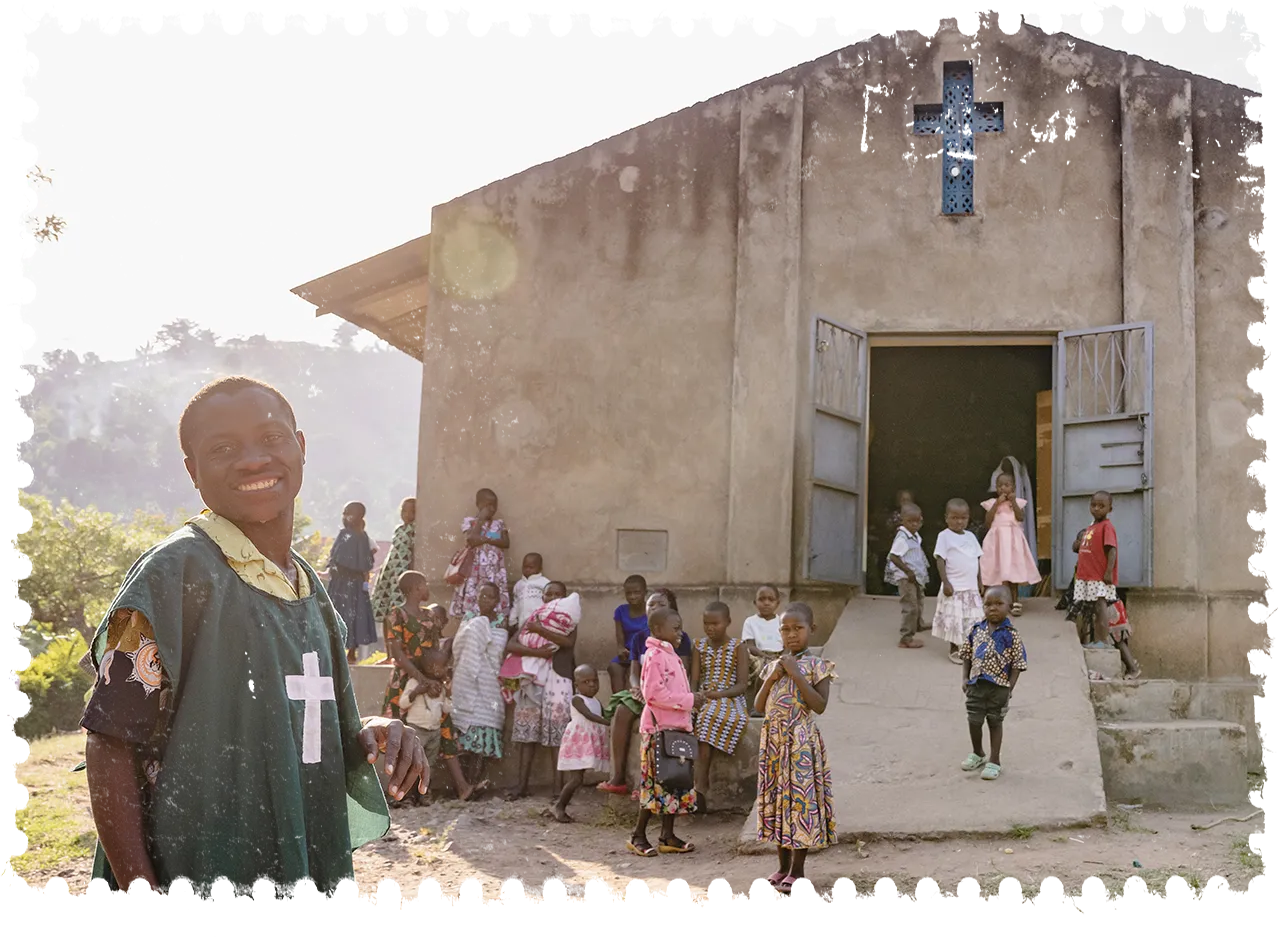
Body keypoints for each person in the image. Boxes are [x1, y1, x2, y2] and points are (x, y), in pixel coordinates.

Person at [79, 376, 427, 905]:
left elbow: (298, 732)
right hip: (199, 875)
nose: (251, 460)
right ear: (193, 471)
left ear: (301, 448)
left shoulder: (310, 591)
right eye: (222, 449)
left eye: (271, 438)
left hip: (304, 869)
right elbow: (109, 740)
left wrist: (371, 732)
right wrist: (144, 900)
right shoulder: (175, 576)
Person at [755, 602, 837, 900]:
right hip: (774, 746)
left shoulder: (818, 666)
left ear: (811, 630)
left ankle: (798, 872)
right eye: (785, 629)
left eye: (798, 629)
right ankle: (782, 867)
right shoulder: (773, 666)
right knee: (779, 804)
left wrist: (796, 673)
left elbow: (820, 705)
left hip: (800, 744)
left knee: (799, 804)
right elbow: (759, 706)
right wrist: (774, 677)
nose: (791, 635)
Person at [597, 589, 691, 796]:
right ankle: (618, 777)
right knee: (622, 711)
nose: (654, 608)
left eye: (661, 604)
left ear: (672, 610)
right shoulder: (640, 638)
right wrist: (635, 688)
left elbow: (683, 673)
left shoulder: (679, 638)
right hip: (645, 691)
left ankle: (650, 784)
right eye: (651, 605)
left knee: (656, 725)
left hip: (667, 696)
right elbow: (634, 671)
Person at [627, 607, 704, 858]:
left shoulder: (672, 656)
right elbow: (653, 694)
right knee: (654, 785)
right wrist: (690, 700)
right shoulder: (654, 656)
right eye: (675, 628)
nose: (680, 632)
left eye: (681, 627)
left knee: (675, 782)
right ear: (658, 630)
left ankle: (667, 836)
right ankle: (638, 835)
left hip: (677, 729)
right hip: (657, 730)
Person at [501, 582, 578, 800]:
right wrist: (537, 652)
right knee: (527, 733)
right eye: (549, 594)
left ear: (564, 598)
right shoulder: (534, 616)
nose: (553, 597)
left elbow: (567, 643)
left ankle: (558, 789)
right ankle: (522, 785)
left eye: (558, 594)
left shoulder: (569, 619)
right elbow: (512, 644)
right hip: (531, 679)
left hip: (558, 678)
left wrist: (541, 631)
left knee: (557, 733)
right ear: (542, 598)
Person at [397, 647, 485, 804]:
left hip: (434, 732)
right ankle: (406, 796)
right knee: (411, 762)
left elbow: (446, 709)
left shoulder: (441, 686)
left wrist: (449, 694)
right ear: (431, 669)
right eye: (444, 666)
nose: (447, 668)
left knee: (428, 765)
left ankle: (423, 794)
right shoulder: (414, 682)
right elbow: (403, 703)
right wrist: (416, 691)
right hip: (416, 730)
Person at [959, 586, 1028, 782]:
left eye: (999, 604)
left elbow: (1018, 664)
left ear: (1009, 606)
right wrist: (965, 678)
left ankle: (994, 760)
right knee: (974, 720)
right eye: (988, 604)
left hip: (999, 687)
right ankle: (977, 753)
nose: (993, 608)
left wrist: (1009, 688)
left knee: (995, 721)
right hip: (976, 684)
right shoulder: (976, 630)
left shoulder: (1012, 634)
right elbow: (966, 655)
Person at [690, 601, 750, 815]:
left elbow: (742, 685)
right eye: (706, 623)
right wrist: (694, 698)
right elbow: (694, 680)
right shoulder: (698, 646)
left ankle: (700, 787)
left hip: (730, 698)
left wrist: (720, 694)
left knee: (707, 718)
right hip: (704, 696)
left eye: (715, 623)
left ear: (728, 622)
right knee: (692, 716)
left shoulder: (738, 646)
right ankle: (689, 787)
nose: (710, 628)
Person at [450, 581, 509, 787]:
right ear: (476, 598)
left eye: (490, 597)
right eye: (482, 596)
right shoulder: (469, 619)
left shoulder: (502, 621)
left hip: (489, 682)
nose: (486, 601)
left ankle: (475, 782)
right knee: (466, 737)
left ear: (498, 600)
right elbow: (459, 647)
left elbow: (499, 648)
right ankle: (465, 784)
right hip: (467, 681)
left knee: (486, 728)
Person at [381, 571, 446, 720]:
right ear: (416, 588)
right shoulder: (397, 614)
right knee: (400, 723)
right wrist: (421, 679)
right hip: (405, 676)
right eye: (425, 585)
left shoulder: (429, 614)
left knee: (433, 720)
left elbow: (435, 646)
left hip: (430, 674)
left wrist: (436, 676)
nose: (428, 589)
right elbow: (397, 652)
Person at [552, 665, 611, 823]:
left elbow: (604, 713)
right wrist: (608, 722)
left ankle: (561, 805)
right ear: (577, 685)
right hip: (578, 743)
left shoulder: (597, 701)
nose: (592, 685)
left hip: (589, 742)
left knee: (579, 778)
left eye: (595, 681)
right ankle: (559, 806)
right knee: (576, 779)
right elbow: (589, 715)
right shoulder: (577, 699)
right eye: (586, 681)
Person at [979, 473, 1042, 617]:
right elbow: (988, 522)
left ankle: (1014, 602)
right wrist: (996, 503)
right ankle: (992, 603)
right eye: (1000, 485)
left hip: (1012, 542)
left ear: (1013, 487)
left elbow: (1020, 517)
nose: (1003, 488)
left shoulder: (1018, 503)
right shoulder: (991, 503)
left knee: (1012, 573)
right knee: (994, 571)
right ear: (996, 488)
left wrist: (1012, 502)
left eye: (1006, 485)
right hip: (996, 542)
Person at [932, 499, 985, 664]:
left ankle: (970, 647)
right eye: (954, 518)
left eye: (963, 518)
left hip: (971, 587)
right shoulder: (944, 536)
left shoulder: (970, 537)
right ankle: (954, 648)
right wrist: (946, 582)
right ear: (946, 518)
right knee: (954, 619)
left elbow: (976, 560)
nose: (959, 521)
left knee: (972, 619)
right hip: (954, 587)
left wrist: (980, 581)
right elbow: (940, 560)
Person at [449, 489, 511, 624]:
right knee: (474, 599)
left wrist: (484, 539)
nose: (492, 509)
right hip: (474, 572)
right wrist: (481, 519)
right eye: (487, 505)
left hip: (494, 572)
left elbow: (505, 543)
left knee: (493, 600)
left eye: (494, 505)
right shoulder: (470, 522)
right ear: (478, 504)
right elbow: (471, 539)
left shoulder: (499, 524)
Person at [329, 502, 379, 663]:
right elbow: (367, 563)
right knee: (355, 616)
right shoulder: (364, 537)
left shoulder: (345, 535)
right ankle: (351, 653)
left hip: (342, 585)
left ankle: (342, 652)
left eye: (347, 514)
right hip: (357, 586)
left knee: (339, 614)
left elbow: (336, 559)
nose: (344, 517)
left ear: (358, 516)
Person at [1071, 491, 1120, 645]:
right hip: (1086, 576)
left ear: (1109, 509)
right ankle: (1091, 639)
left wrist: (1108, 572)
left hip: (1098, 577)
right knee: (1090, 609)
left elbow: (1112, 550)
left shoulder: (1107, 527)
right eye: (1093, 505)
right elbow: (1079, 548)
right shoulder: (1091, 527)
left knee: (1100, 607)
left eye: (1101, 506)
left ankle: (1103, 640)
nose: (1096, 509)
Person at [885, 503, 929, 649]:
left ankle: (917, 624)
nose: (915, 524)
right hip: (906, 578)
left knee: (919, 600)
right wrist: (908, 571)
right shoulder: (902, 538)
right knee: (910, 606)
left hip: (915, 576)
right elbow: (894, 556)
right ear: (902, 520)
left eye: (918, 521)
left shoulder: (914, 536)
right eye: (911, 521)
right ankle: (906, 638)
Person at [370, 497, 416, 630]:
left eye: (412, 511)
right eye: (404, 511)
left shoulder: (415, 530)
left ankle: (397, 644)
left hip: (403, 573)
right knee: (387, 611)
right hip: (390, 574)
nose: (407, 515)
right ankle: (388, 647)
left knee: (398, 609)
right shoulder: (399, 530)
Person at [741, 584, 783, 715]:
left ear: (777, 603)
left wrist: (783, 657)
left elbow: (787, 644)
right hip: (757, 655)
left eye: (771, 600)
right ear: (755, 602)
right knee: (763, 668)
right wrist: (764, 656)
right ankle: (758, 706)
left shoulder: (782, 621)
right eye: (762, 599)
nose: (766, 603)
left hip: (779, 655)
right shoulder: (750, 622)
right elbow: (750, 645)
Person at [608, 575, 649, 695]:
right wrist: (621, 649)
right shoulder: (621, 611)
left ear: (645, 592)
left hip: (644, 652)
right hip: (628, 653)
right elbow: (620, 639)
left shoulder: (650, 610)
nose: (632, 596)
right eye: (629, 593)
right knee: (614, 666)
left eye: (637, 592)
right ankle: (619, 701)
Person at [510, 552, 550, 627]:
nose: (527, 570)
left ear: (540, 568)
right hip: (522, 623)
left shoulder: (545, 583)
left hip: (539, 623)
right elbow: (516, 603)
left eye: (531, 567)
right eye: (525, 567)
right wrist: (512, 620)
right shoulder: (518, 584)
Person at [1105, 598, 1141, 679]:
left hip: (1111, 609)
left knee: (1118, 641)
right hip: (1115, 607)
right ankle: (1131, 663)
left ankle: (1132, 668)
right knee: (1118, 641)